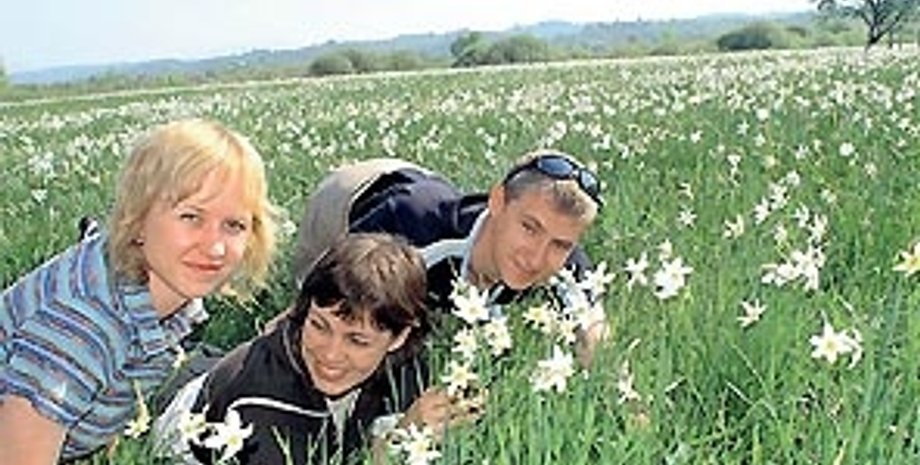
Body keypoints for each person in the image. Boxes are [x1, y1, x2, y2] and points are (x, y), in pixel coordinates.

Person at [0, 118, 277, 465]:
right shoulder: (81, 329)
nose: (215, 247)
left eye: (233, 225)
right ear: (137, 218)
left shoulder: (160, 287)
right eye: (191, 217)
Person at [154, 233, 454, 465]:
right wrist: (396, 443)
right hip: (190, 419)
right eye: (319, 326)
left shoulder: (407, 362)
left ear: (400, 337)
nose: (330, 354)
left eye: (357, 340)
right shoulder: (263, 410)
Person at [293, 150, 606, 365]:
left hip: (430, 186)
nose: (536, 258)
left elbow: (596, 342)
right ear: (497, 201)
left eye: (560, 244)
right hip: (351, 195)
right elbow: (312, 309)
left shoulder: (563, 258)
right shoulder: (410, 234)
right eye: (529, 227)